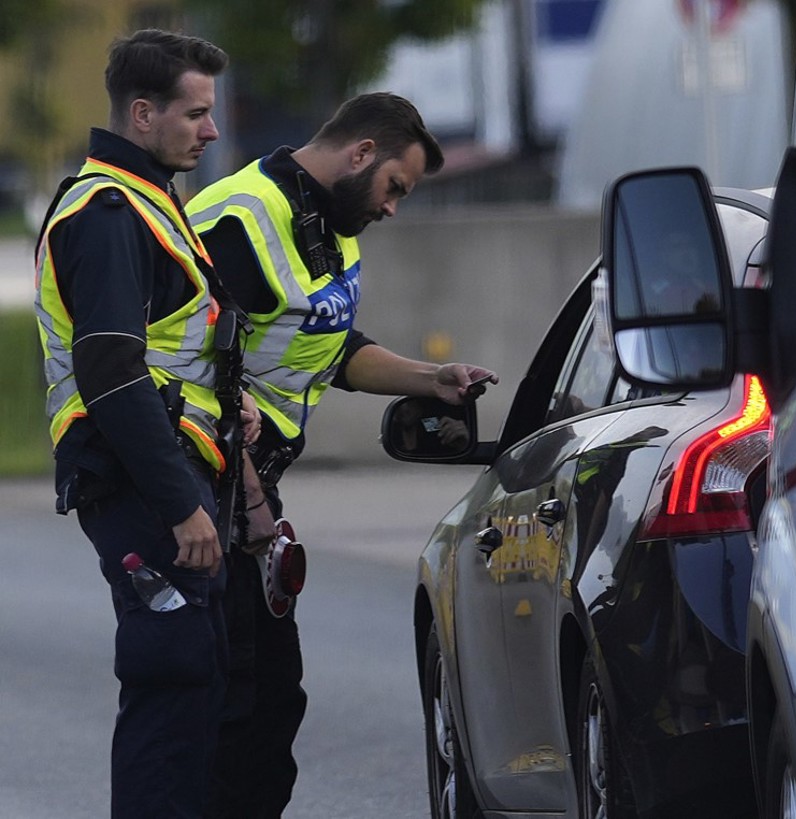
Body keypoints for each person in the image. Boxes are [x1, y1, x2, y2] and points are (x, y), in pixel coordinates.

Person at [186, 91, 497, 816]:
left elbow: (329, 349)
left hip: (252, 490)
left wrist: (431, 378)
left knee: (270, 703)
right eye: (396, 187)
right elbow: (188, 358)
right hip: (202, 483)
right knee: (227, 703)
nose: (393, 209)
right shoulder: (242, 218)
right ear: (361, 154)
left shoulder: (332, 228)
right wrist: (247, 494)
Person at [31, 28, 258, 818]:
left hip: (169, 469)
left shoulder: (149, 202)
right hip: (142, 481)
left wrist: (231, 405)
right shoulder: (106, 213)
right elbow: (111, 372)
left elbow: (167, 350)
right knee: (172, 681)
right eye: (195, 113)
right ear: (141, 113)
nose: (212, 129)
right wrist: (180, 504)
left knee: (197, 681)